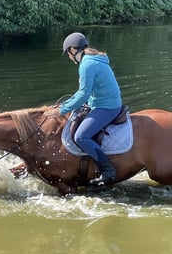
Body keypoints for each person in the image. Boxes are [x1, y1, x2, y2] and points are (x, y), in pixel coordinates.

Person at [45, 32, 122, 186]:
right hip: (99, 102)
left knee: (81, 136)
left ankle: (108, 170)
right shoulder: (91, 60)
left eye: (68, 53)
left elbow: (83, 93)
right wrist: (66, 105)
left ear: (73, 49)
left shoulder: (87, 64)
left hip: (107, 106)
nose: (68, 57)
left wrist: (61, 111)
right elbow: (85, 93)